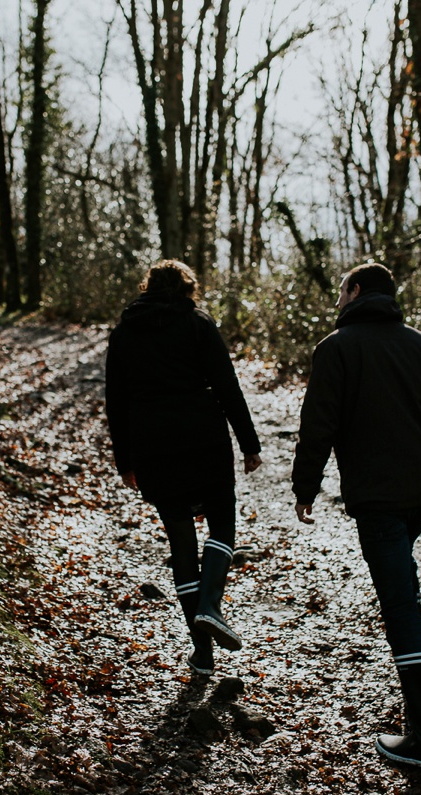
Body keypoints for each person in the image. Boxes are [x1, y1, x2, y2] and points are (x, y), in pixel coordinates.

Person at [291, 262, 421, 772]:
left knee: (401, 606)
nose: (339, 300)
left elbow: (318, 423)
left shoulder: (335, 348)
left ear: (354, 292)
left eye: (342, 291)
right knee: (401, 595)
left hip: (379, 498)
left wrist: (305, 486)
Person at [105, 260, 263, 676]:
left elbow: (115, 403)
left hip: (152, 444)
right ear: (188, 288)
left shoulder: (123, 333)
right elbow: (227, 384)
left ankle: (203, 654)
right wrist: (249, 443)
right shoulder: (198, 324)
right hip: (203, 437)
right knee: (222, 526)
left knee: (181, 545)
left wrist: (126, 461)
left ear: (147, 288)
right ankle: (211, 605)